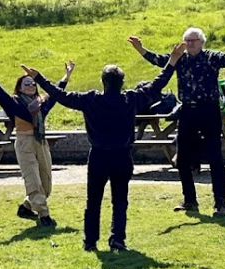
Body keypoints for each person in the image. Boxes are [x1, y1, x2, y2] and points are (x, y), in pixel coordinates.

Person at [30, 44, 185, 251]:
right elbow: (157, 85)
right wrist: (172, 60)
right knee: (120, 200)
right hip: (122, 156)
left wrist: (40, 78)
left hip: (98, 156)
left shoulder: (91, 100)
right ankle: (117, 240)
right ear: (122, 83)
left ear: (103, 82)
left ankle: (90, 241)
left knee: (93, 201)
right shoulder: (130, 99)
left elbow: (61, 96)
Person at [129, 27, 225, 217]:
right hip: (187, 111)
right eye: (187, 40)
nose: (190, 44)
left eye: (193, 40)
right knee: (183, 157)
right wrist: (141, 49)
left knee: (215, 157)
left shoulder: (211, 57)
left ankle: (220, 203)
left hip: (209, 110)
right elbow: (160, 61)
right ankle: (189, 200)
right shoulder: (180, 58)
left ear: (202, 42)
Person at [0, 58, 73, 227]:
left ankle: (26, 206)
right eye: (27, 83)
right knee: (33, 179)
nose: (31, 86)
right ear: (19, 87)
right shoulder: (14, 102)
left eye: (33, 84)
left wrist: (67, 74)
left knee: (46, 183)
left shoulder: (42, 103)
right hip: (24, 143)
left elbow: (57, 92)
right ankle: (44, 214)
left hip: (40, 142)